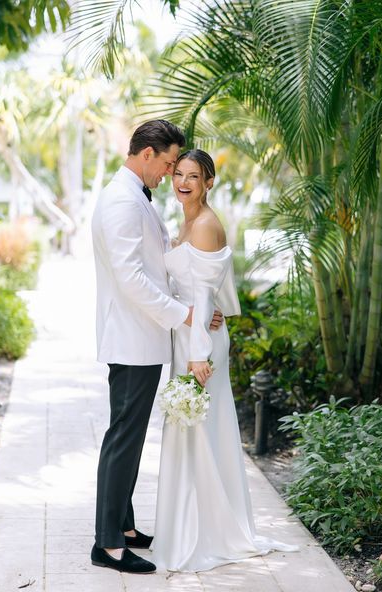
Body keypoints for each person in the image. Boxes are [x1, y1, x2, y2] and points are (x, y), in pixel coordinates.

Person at [152, 149, 298, 572]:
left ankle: (204, 534)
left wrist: (198, 353)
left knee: (199, 430)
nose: (183, 182)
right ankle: (186, 527)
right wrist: (201, 313)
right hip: (191, 332)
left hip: (200, 346)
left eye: (193, 176)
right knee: (190, 431)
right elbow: (202, 291)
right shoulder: (188, 219)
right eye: (178, 173)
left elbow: (202, 292)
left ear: (209, 182)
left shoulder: (206, 225)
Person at [90, 122, 222, 574]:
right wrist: (185, 315)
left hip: (143, 338)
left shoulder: (134, 197)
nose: (171, 174)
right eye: (169, 163)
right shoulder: (122, 201)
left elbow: (159, 264)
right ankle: (107, 545)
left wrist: (195, 305)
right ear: (147, 154)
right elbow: (132, 279)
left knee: (127, 437)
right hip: (131, 340)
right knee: (122, 440)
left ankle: (124, 528)